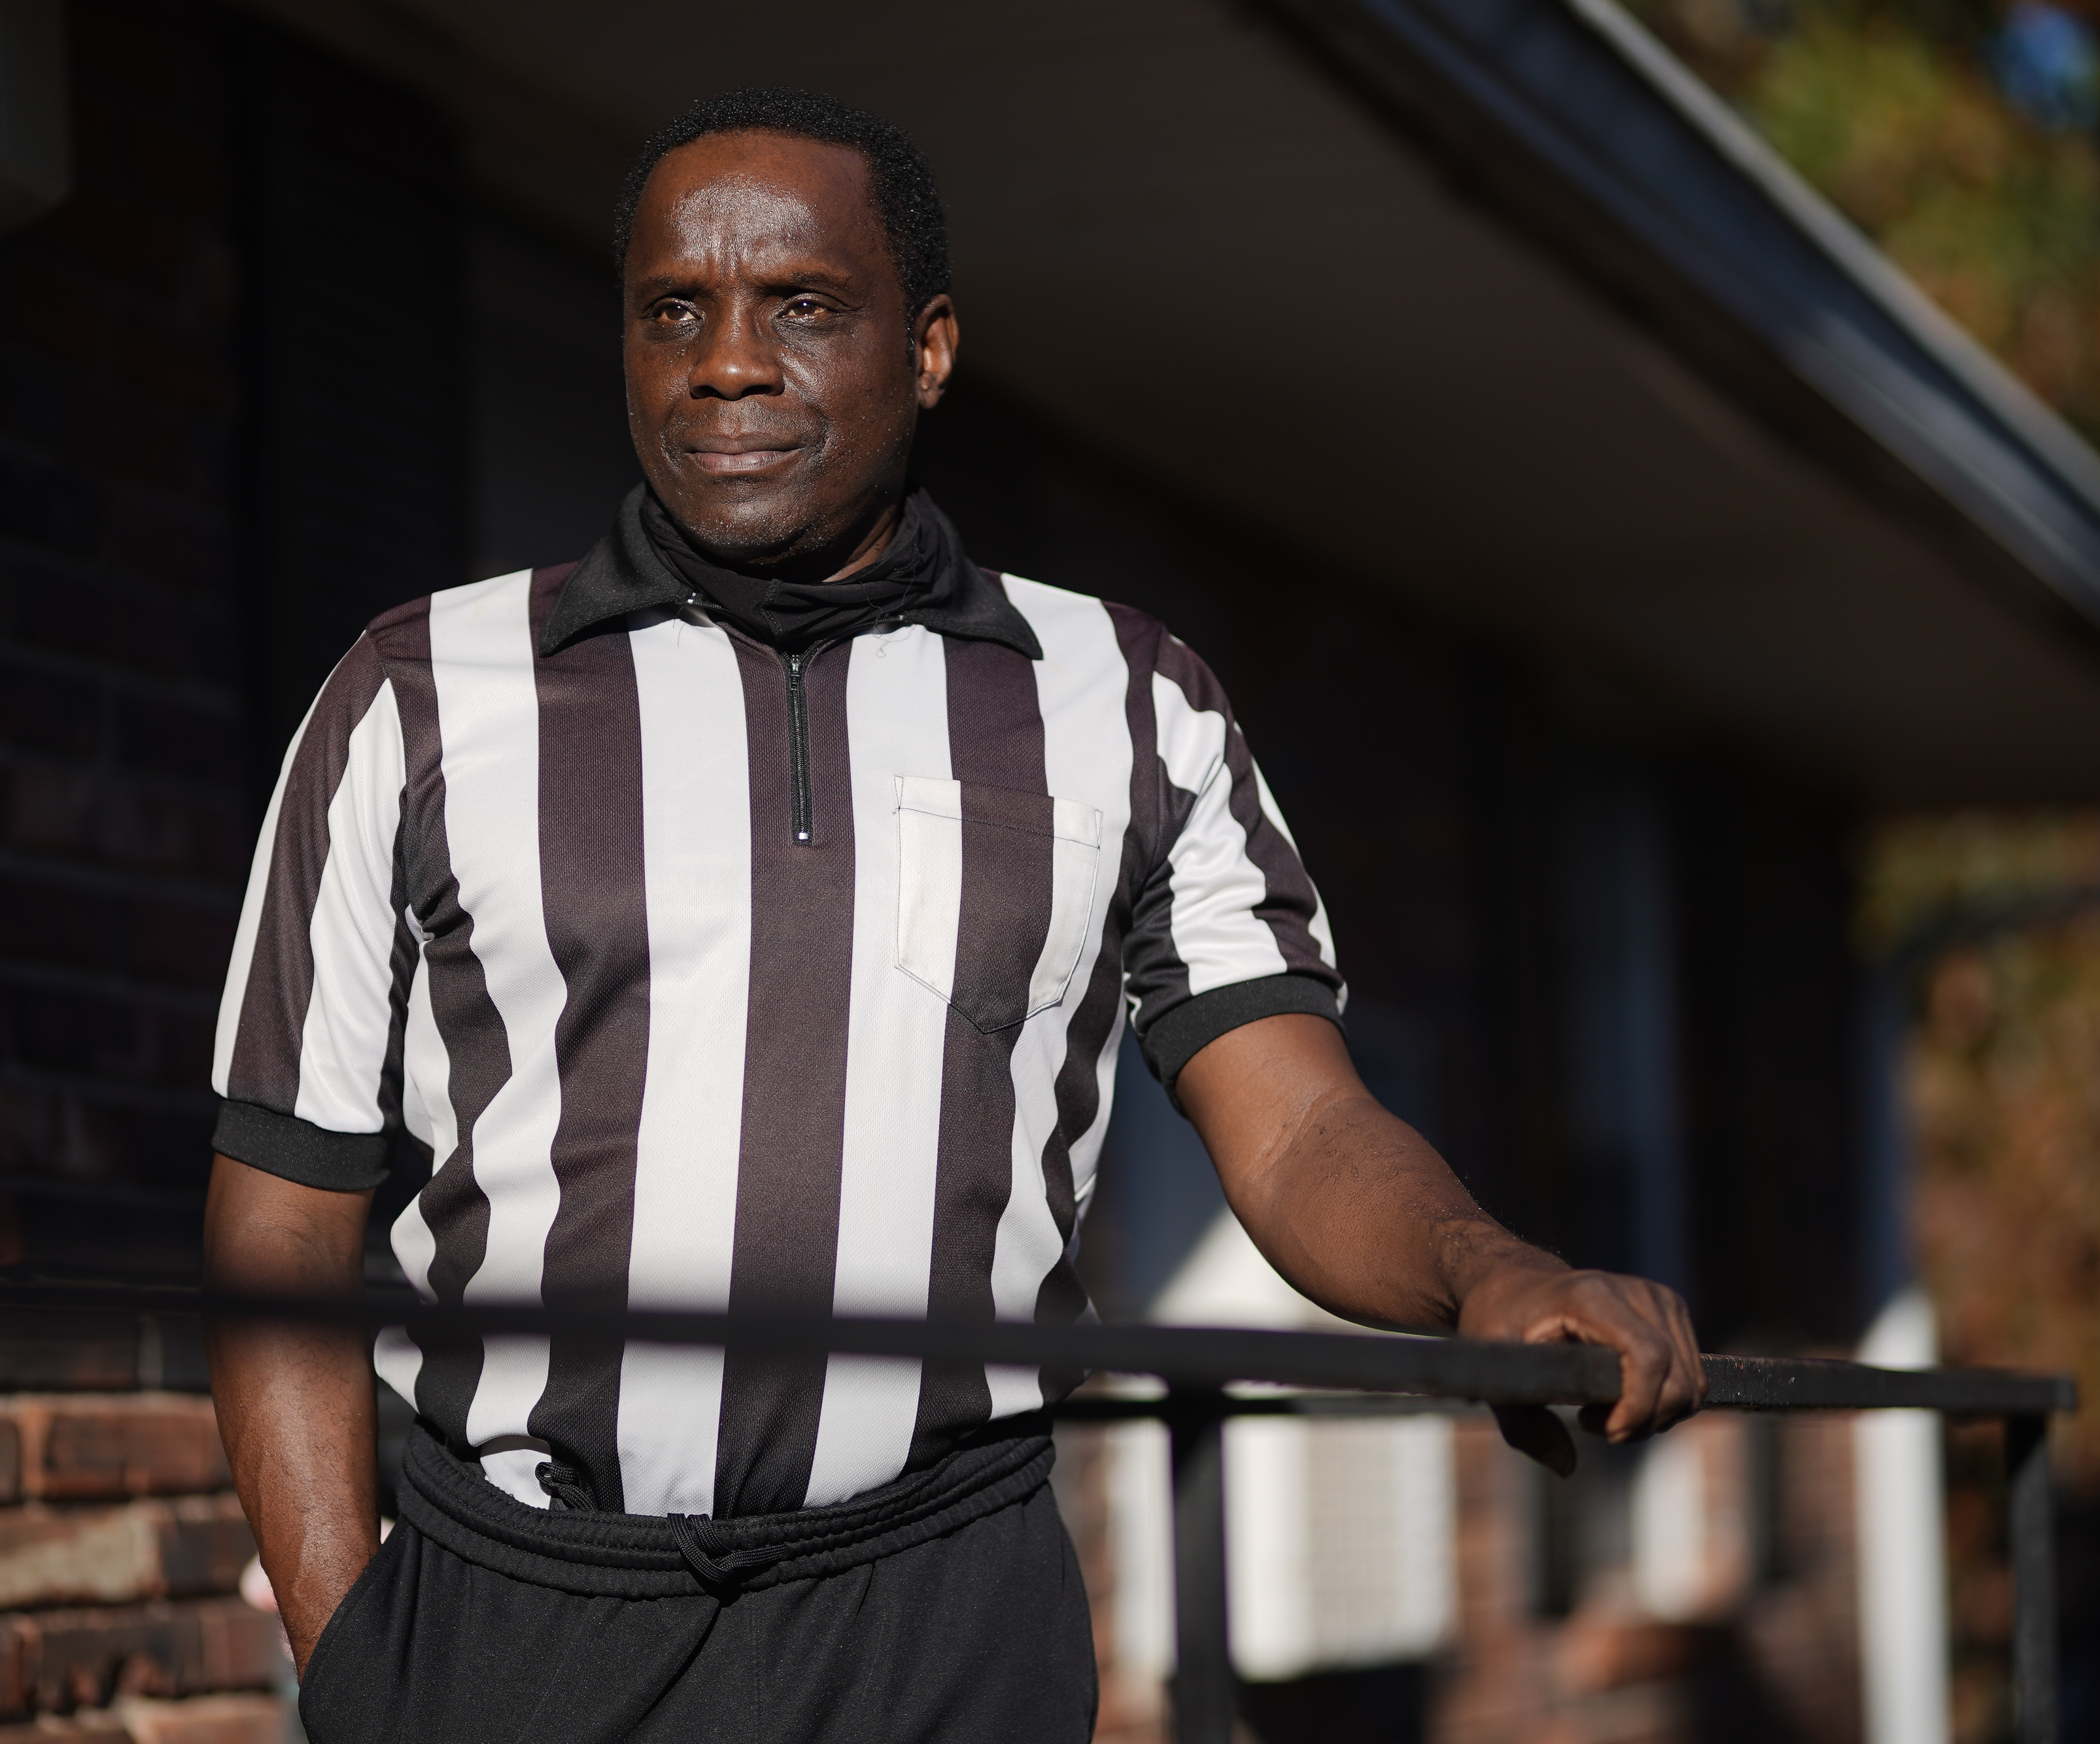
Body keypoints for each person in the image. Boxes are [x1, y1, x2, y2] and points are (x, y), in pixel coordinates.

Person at [202, 87, 1703, 1743]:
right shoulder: (415, 693)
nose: (725, 364)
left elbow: (1291, 1130)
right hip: (523, 1620)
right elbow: (280, 1220)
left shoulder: (1120, 700)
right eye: (673, 311)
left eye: (802, 309)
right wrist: (358, 1678)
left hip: (941, 1615)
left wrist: (1487, 1271)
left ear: (925, 349)